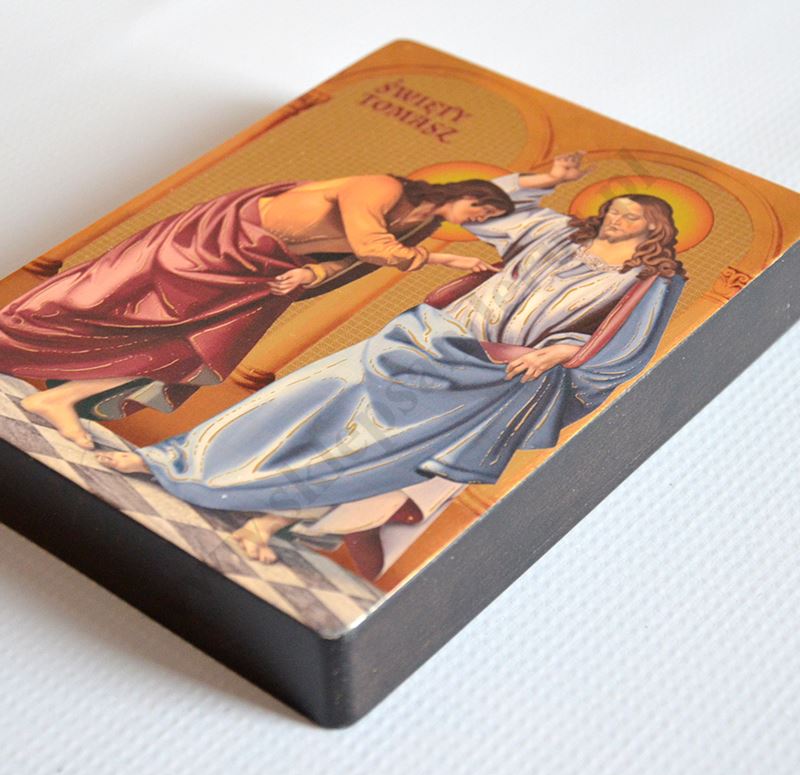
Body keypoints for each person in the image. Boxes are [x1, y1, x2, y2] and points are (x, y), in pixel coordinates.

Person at [97, 153, 687, 566]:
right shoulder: (554, 233)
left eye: (631, 215)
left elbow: (625, 345)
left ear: (654, 228)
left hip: (494, 374)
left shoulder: (651, 280)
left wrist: (557, 352)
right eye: (616, 208)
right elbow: (488, 205)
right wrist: (547, 178)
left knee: (376, 454)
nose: (617, 218)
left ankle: (268, 522)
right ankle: (170, 460)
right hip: (431, 335)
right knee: (301, 397)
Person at [0, 174, 513, 449]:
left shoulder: (416, 228)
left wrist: (311, 275)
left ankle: (63, 398)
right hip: (219, 243)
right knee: (107, 305)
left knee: (199, 356)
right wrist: (446, 259)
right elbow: (367, 243)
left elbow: (349, 262)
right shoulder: (383, 187)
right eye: (482, 209)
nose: (478, 219)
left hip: (269, 272)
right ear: (464, 193)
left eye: (486, 218)